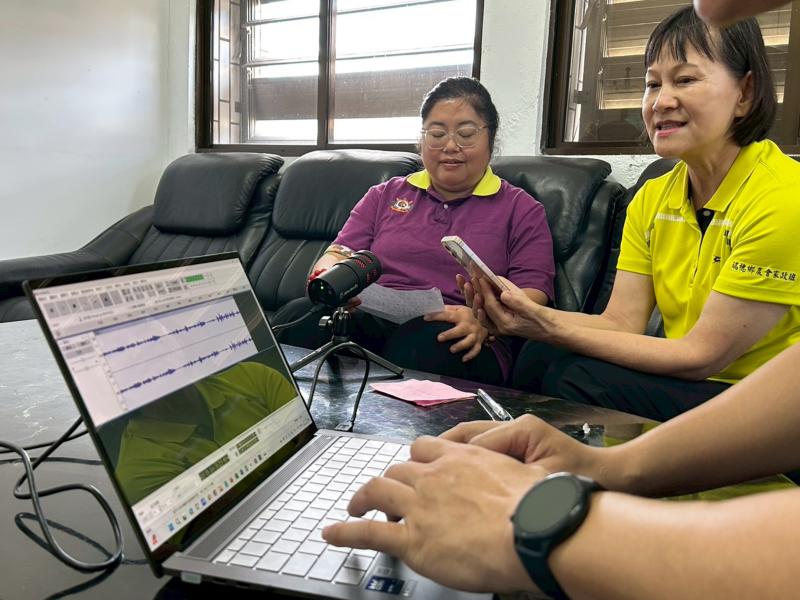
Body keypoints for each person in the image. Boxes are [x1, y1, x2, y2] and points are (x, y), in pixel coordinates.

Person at [466, 6, 800, 420]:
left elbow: (701, 356)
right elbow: (622, 322)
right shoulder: (653, 198)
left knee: (574, 376)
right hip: (696, 386)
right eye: (651, 84)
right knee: (538, 356)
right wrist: (528, 315)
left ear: (745, 93)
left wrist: (549, 326)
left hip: (772, 406)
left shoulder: (784, 197)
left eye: (685, 80)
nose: (661, 101)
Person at [274, 77, 554, 385]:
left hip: (459, 330)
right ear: (421, 141)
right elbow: (339, 253)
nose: (449, 146)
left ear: (491, 139)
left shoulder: (521, 208)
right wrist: (329, 281)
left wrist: (487, 320)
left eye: (466, 134)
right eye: (436, 134)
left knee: (422, 344)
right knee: (297, 319)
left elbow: (533, 293)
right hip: (370, 318)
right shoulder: (385, 195)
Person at [110, 359, 298, 504]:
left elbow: (308, 444)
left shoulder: (255, 377)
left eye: (160, 339)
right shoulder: (138, 474)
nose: (158, 353)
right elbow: (226, 523)